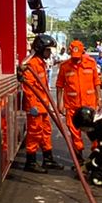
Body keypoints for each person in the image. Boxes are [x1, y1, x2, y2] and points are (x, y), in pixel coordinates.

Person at [15, 33, 63, 172]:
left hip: (43, 105)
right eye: (48, 50)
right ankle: (30, 162)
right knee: (34, 133)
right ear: (41, 49)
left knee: (46, 131)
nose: (49, 53)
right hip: (36, 106)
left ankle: (48, 159)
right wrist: (33, 107)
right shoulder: (31, 65)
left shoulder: (40, 63)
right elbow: (29, 89)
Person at [57, 39, 102, 163]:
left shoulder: (91, 63)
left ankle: (96, 156)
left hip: (89, 106)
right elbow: (59, 85)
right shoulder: (65, 66)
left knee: (94, 132)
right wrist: (59, 104)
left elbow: (97, 82)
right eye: (74, 56)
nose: (76, 59)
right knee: (75, 134)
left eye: (78, 57)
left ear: (83, 52)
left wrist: (99, 99)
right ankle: (78, 159)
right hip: (72, 107)